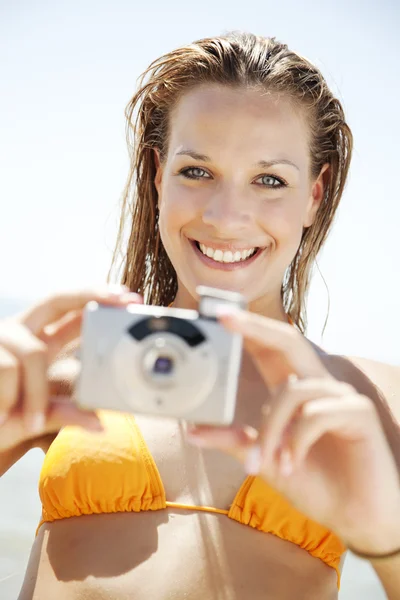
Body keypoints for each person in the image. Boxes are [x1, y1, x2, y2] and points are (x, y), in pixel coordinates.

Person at [1, 32, 400, 600]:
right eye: (196, 171)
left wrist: (388, 542)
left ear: (315, 194)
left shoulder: (371, 403)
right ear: (159, 174)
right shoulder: (68, 365)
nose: (226, 216)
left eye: (269, 180)